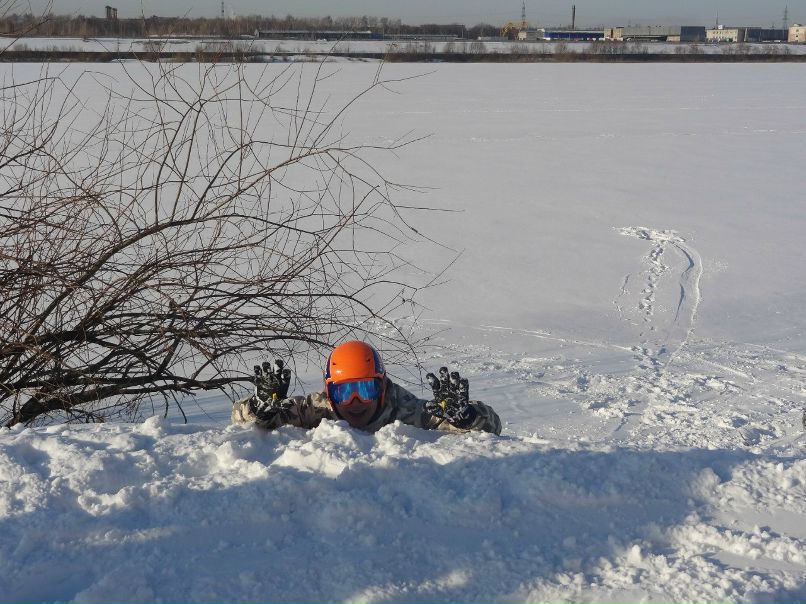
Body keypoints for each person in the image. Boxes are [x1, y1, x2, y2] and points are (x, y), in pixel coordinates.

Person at [232, 340, 501, 435]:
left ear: (382, 387)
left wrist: (467, 417)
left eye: (366, 389)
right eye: (344, 392)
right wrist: (259, 409)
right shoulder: (317, 409)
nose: (356, 401)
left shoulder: (402, 410)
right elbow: (240, 417)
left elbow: (492, 426)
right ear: (330, 393)